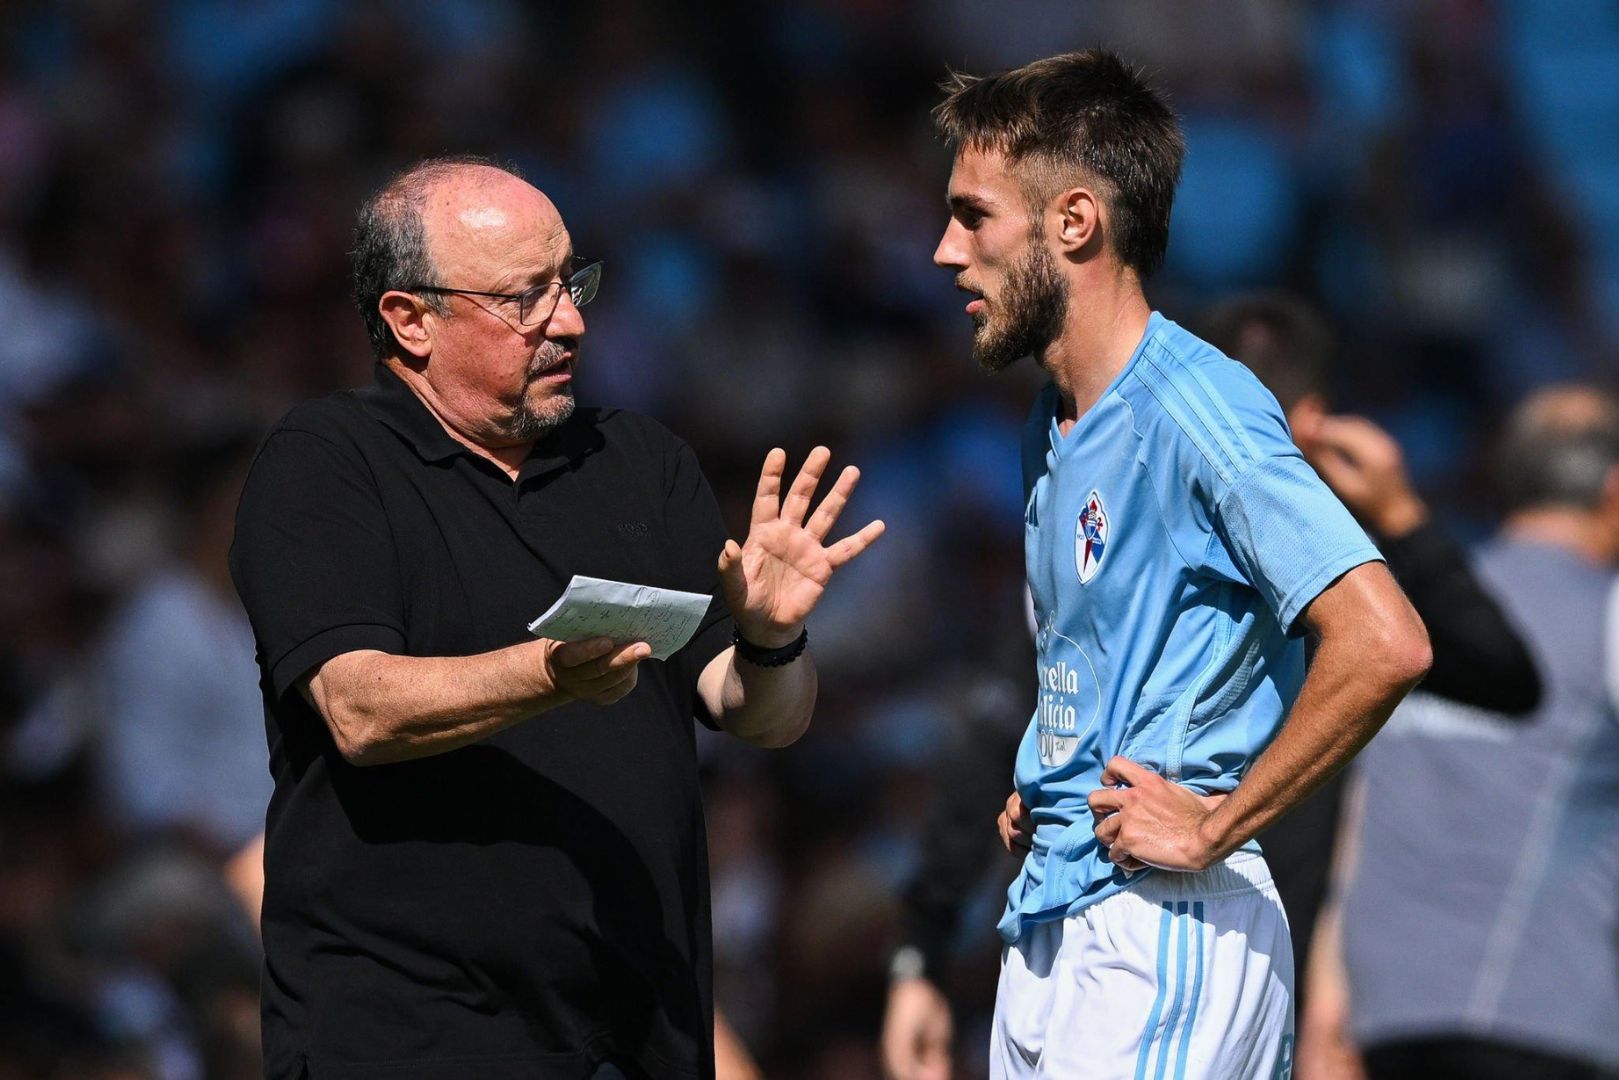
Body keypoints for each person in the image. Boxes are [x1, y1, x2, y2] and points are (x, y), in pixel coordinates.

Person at [229, 155, 884, 1080]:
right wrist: (550, 674)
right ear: (410, 320)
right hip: (410, 1035)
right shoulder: (328, 463)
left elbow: (761, 716)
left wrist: (772, 638)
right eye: (522, 299)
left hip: (640, 1033)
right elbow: (358, 709)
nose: (569, 319)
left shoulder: (639, 462)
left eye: (570, 282)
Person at [878, 292, 1540, 1078]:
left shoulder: (1334, 564)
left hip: (1229, 955)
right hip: (1133, 941)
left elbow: (1471, 668)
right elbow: (1009, 724)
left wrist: (1399, 520)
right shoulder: (1118, 531)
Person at [929, 52, 1431, 1079]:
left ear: (1073, 223)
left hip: (1165, 927)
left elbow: (1384, 640)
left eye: (971, 216)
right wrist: (1050, 770)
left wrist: (1214, 825)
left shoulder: (1198, 407)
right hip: (1055, 913)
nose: (944, 251)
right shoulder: (1052, 422)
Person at [1301, 387, 1619, 1080]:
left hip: (1382, 1020)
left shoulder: (1407, 619)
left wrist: (1325, 999)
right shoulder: (1606, 620)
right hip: (1548, 1017)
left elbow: (1355, 815)